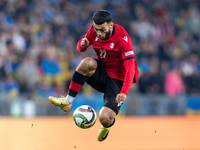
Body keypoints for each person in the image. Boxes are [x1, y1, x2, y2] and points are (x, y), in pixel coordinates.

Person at [48, 10, 139, 142]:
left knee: (104, 118)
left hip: (118, 81)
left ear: (111, 25)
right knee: (86, 63)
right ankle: (67, 101)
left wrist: (124, 92)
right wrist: (82, 44)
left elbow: (130, 67)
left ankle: (107, 125)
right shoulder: (94, 30)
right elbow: (80, 47)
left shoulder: (122, 38)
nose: (99, 33)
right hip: (102, 73)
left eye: (102, 30)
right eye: (97, 30)